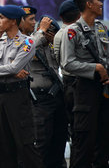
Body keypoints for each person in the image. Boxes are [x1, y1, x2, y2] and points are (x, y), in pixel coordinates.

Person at [0, 5, 43, 168]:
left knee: (25, 143)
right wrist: (8, 71)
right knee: (2, 145)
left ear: (13, 21)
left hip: (17, 97)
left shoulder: (27, 42)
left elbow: (8, 68)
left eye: (2, 18)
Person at [60, 0, 109, 167]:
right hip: (84, 90)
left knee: (103, 141)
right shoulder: (72, 31)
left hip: (103, 89)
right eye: (98, 0)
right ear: (88, 4)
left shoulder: (101, 28)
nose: (101, 3)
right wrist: (94, 68)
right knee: (84, 142)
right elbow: (67, 63)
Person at [29, 15, 68, 168]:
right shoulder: (30, 41)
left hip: (57, 96)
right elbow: (28, 49)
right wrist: (41, 32)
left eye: (52, 32)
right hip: (40, 98)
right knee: (41, 140)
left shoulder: (52, 45)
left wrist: (53, 41)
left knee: (58, 138)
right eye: (48, 31)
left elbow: (63, 63)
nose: (49, 35)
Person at [53, 0, 81, 133]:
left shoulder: (58, 34)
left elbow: (58, 60)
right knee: (82, 128)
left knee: (76, 128)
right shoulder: (73, 33)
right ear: (79, 14)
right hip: (77, 83)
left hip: (68, 83)